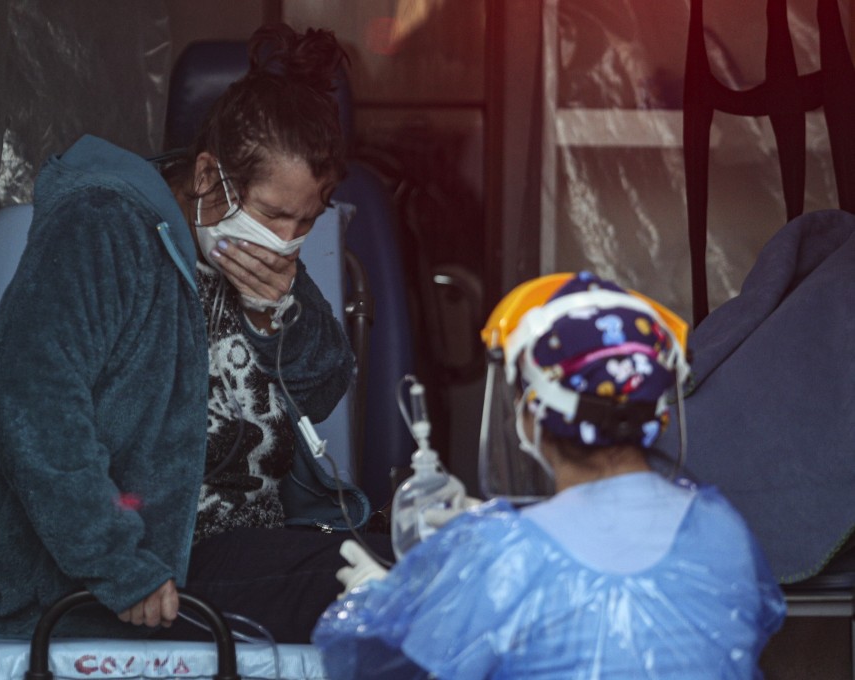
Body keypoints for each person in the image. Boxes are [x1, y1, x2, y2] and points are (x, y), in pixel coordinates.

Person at [0, 23, 387, 643]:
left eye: (306, 221)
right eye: (272, 214)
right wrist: (119, 564)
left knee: (428, 561)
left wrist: (276, 317)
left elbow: (322, 390)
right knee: (391, 590)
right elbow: (30, 402)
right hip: (140, 571)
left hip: (250, 545)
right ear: (211, 176)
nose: (287, 239)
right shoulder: (103, 230)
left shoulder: (270, 263)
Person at [313, 271, 786, 679]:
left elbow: (379, 667)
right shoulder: (722, 530)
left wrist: (382, 606)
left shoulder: (504, 555)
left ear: (531, 415)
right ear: (658, 412)